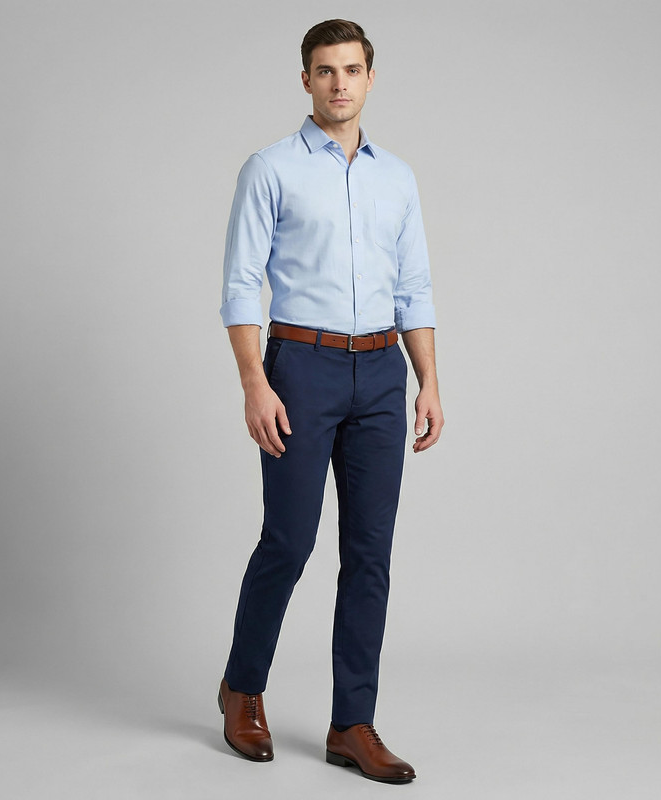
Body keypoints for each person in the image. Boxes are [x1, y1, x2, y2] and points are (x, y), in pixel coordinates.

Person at [217, 19, 443, 784]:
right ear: (306, 80)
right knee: (288, 541)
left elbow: (414, 287)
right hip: (300, 368)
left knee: (370, 553)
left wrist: (429, 381)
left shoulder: (398, 178)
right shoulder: (270, 169)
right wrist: (255, 382)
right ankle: (242, 688)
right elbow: (241, 284)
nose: (339, 83)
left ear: (370, 78)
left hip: (381, 373)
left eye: (351, 69)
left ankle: (353, 723)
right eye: (325, 70)